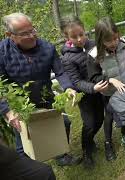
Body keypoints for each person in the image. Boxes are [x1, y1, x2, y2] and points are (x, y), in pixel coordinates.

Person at [0, 13, 80, 166]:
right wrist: (8, 111)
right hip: (18, 105)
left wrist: (69, 88)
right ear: (10, 35)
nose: (32, 35)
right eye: (25, 33)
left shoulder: (47, 48)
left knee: (64, 123)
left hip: (45, 98)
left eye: (33, 30)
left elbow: (61, 71)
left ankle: (61, 156)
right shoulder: (2, 53)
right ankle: (29, 169)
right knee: (24, 139)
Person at [60, 16, 110, 169]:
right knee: (89, 123)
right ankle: (86, 152)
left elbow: (103, 63)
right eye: (74, 37)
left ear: (84, 29)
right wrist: (92, 88)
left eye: (81, 34)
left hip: (100, 91)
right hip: (85, 95)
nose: (80, 39)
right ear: (66, 37)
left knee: (100, 120)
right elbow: (76, 81)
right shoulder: (67, 58)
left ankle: (91, 141)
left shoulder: (94, 45)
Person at [87, 16, 125, 162]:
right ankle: (108, 143)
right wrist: (110, 80)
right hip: (108, 91)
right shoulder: (94, 56)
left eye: (115, 38)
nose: (113, 43)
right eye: (109, 41)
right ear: (100, 40)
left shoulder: (122, 45)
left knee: (124, 109)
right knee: (109, 115)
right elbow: (94, 77)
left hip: (123, 86)